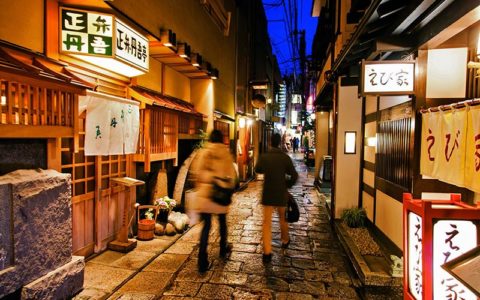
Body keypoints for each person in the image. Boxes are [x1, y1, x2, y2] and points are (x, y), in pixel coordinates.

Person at [190, 130, 237, 273]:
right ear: (222, 139)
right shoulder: (225, 153)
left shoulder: (204, 152)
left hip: (205, 195)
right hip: (220, 194)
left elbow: (195, 172)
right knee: (222, 222)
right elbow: (233, 176)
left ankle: (202, 261)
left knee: (206, 227)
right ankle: (223, 248)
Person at [254, 132, 298, 263]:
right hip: (281, 194)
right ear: (279, 143)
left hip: (268, 193)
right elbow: (294, 175)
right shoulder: (284, 158)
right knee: (282, 219)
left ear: (270, 142)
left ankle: (267, 252)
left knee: (266, 223)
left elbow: (257, 169)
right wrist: (287, 185)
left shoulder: (264, 157)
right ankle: (285, 240)